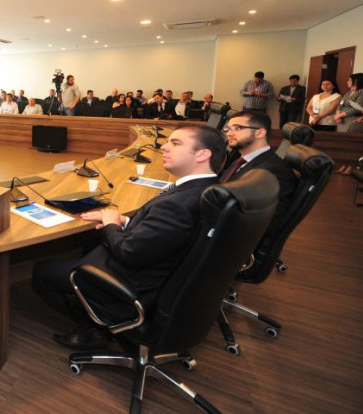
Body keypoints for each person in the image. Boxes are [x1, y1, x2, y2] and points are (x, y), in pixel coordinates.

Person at [32, 125, 225, 350]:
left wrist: (111, 224)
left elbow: (129, 252)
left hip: (135, 284)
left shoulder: (179, 205)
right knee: (90, 243)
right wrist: (125, 221)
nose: (164, 147)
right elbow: (165, 234)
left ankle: (97, 328)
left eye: (175, 143)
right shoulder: (208, 189)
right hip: (160, 271)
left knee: (42, 272)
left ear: (202, 154)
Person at [220, 111, 296, 238]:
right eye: (228, 128)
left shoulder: (273, 171)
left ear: (260, 133)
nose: (229, 133)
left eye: (237, 128)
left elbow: (262, 223)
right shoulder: (242, 159)